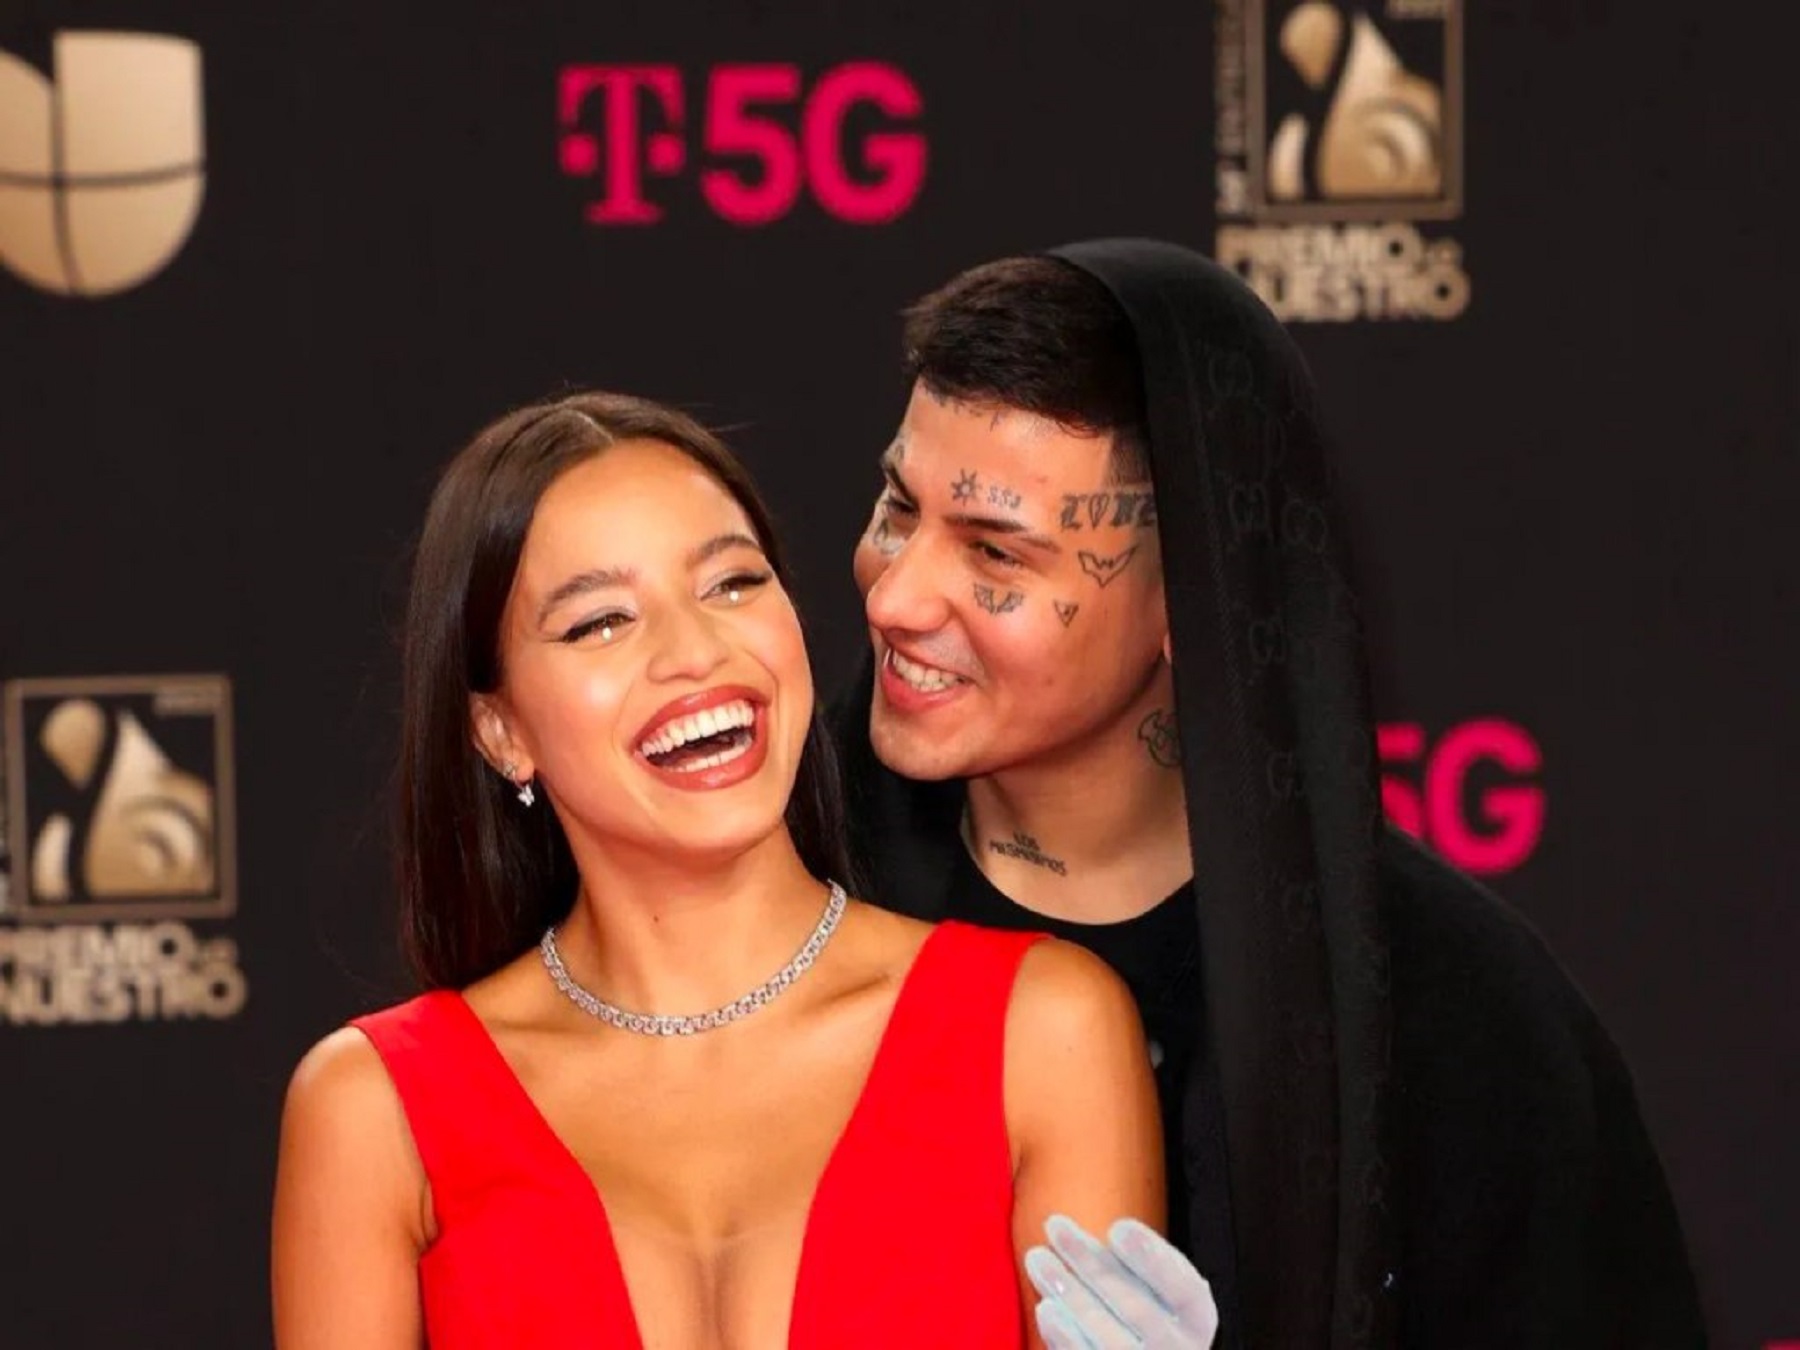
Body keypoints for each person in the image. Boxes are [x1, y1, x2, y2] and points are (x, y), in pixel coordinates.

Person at [833, 239, 1707, 1349]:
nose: (897, 595)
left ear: (1191, 601)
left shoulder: (1448, 1017)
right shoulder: (774, 899)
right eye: (898, 507)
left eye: (996, 555)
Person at [269, 392, 1171, 1349]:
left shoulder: (1042, 1031)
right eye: (600, 623)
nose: (695, 651)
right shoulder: (373, 1110)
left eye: (733, 583)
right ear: (500, 731)